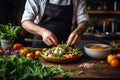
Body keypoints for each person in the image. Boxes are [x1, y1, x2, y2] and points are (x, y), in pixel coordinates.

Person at [21, 0, 89, 48]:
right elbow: (25, 22)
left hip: (66, 47)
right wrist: (43, 32)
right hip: (41, 46)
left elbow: (84, 21)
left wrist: (78, 32)